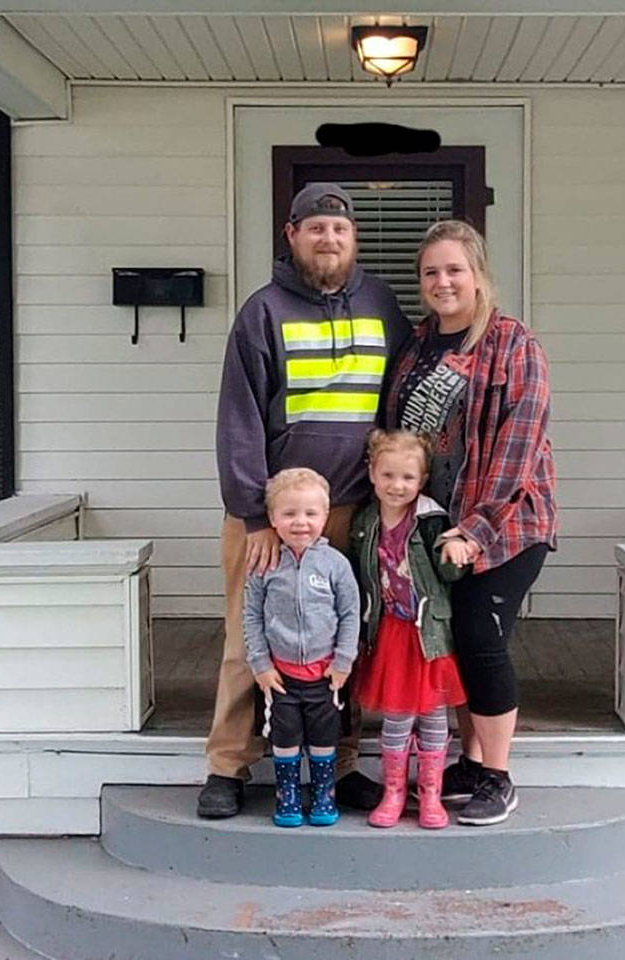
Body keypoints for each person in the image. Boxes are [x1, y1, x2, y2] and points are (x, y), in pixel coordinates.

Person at [199, 183, 409, 819]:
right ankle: (228, 767)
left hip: (351, 511)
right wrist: (256, 513)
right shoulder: (262, 312)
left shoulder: (382, 305)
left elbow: (398, 403)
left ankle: (336, 765)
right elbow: (238, 418)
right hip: (271, 515)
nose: (329, 239)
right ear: (291, 236)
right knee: (248, 637)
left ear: (354, 239)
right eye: (316, 228)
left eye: (340, 230)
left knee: (342, 637)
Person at [383, 220, 557, 827]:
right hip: (437, 526)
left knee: (482, 639)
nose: (442, 281)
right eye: (431, 272)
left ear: (479, 276)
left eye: (455, 269)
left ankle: (498, 775)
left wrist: (475, 530)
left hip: (508, 524)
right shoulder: (414, 349)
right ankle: (470, 761)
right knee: (450, 638)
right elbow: (398, 441)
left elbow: (519, 448)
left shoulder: (514, 345)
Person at [350, 430, 469, 830]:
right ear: (371, 473)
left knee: (434, 716)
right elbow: (359, 573)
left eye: (407, 478)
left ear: (422, 480)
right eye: (388, 475)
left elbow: (449, 573)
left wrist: (457, 550)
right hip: (389, 633)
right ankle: (394, 791)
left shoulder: (431, 521)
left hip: (427, 636)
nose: (396, 486)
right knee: (396, 717)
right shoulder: (365, 521)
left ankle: (431, 793)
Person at [244, 468, 360, 827]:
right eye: (289, 514)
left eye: (311, 514)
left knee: (325, 738)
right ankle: (288, 796)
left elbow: (350, 613)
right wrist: (260, 664)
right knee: (285, 736)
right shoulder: (265, 565)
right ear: (273, 519)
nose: (300, 523)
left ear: (325, 517)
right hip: (281, 678)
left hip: (325, 676)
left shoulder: (335, 564)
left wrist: (343, 661)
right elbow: (251, 617)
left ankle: (324, 794)